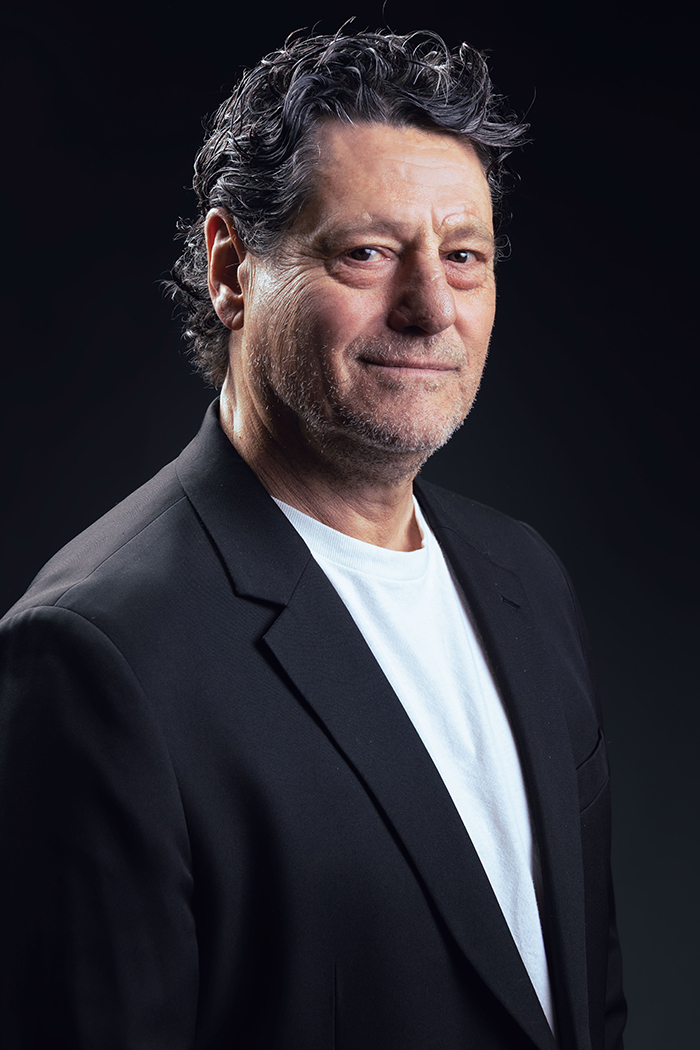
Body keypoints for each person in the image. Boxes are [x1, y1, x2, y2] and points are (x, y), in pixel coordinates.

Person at [0, 28, 626, 1050]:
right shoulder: (97, 656)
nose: (430, 308)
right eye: (366, 252)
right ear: (230, 270)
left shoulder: (527, 579)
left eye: (463, 257)